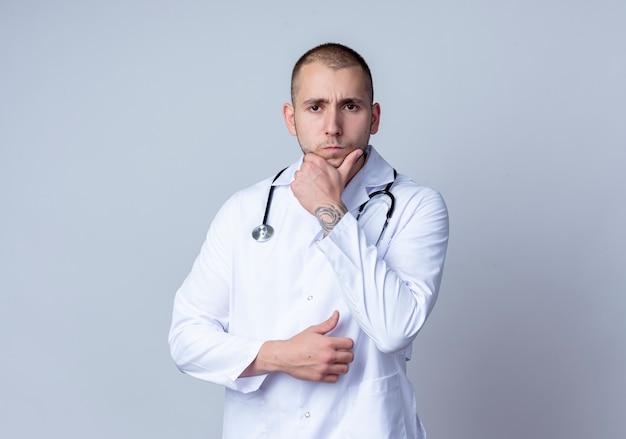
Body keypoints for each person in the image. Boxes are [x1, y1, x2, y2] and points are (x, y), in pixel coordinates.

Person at [168, 42, 449, 439]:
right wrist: (279, 356)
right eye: (315, 107)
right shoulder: (245, 209)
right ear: (291, 117)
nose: (332, 126)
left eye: (350, 106)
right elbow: (186, 340)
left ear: (375, 117)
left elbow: (394, 329)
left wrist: (329, 210)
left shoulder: (415, 206)